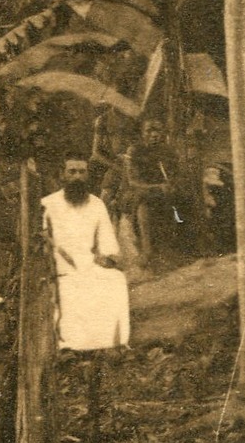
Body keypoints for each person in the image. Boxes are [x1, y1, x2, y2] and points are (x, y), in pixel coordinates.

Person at [40, 154, 130, 351]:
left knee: (115, 279)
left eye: (82, 172)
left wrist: (106, 258)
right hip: (57, 263)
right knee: (69, 286)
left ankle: (112, 342)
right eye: (72, 172)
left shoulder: (96, 204)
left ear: (88, 175)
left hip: (88, 262)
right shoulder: (48, 204)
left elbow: (107, 242)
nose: (78, 177)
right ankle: (70, 346)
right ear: (62, 175)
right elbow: (43, 242)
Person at [118, 119, 174, 265]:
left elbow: (174, 175)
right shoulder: (135, 151)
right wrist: (157, 187)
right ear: (142, 133)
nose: (154, 134)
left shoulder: (167, 151)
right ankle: (147, 250)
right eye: (149, 131)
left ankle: (171, 248)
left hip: (159, 190)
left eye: (158, 130)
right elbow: (133, 182)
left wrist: (171, 184)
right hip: (135, 192)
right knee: (144, 203)